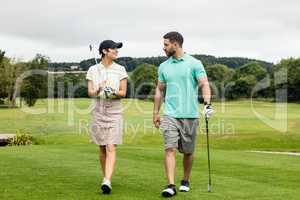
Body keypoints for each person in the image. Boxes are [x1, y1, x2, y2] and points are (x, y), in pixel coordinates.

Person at [153, 31, 214, 197]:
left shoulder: (194, 63)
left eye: (166, 44)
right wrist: (155, 112)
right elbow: (159, 89)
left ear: (176, 44)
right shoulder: (163, 66)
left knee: (188, 152)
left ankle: (185, 180)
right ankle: (170, 185)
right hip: (170, 114)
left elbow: (204, 84)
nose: (163, 48)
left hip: (190, 115)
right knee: (169, 149)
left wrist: (207, 104)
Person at [86, 40, 128, 194]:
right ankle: (106, 177)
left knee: (111, 146)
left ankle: (107, 180)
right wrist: (98, 87)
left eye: (117, 49)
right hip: (98, 111)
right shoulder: (93, 69)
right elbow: (90, 92)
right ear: (104, 51)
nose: (117, 51)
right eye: (114, 49)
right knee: (102, 147)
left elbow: (123, 92)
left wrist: (112, 91)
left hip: (114, 111)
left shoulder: (121, 69)